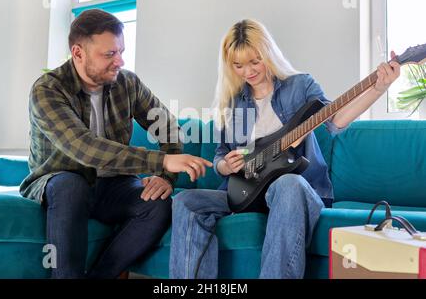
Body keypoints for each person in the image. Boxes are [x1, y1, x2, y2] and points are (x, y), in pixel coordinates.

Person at [169, 19, 400, 279]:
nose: (248, 72)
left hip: (293, 191)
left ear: (267, 52)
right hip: (246, 193)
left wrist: (379, 88)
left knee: (288, 183)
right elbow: (222, 154)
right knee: (187, 201)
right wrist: (226, 165)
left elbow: (336, 121)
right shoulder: (233, 103)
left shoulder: (300, 86)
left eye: (255, 61)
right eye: (239, 65)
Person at [19, 9, 212, 279]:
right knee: (71, 186)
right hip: (62, 179)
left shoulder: (127, 83)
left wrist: (166, 177)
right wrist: (161, 160)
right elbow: (83, 147)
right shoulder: (48, 89)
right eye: (109, 54)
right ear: (78, 53)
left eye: (121, 51)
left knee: (159, 203)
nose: (119, 61)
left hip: (113, 184)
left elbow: (167, 126)